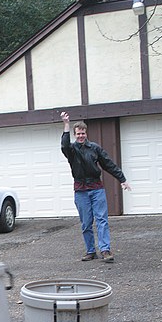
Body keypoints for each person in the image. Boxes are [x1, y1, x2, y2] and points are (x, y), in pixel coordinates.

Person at [60, 112, 131, 263]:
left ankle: (105, 250)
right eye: (78, 134)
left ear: (86, 133)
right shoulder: (71, 150)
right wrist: (66, 124)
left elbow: (108, 164)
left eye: (83, 133)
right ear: (74, 134)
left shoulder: (94, 148)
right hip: (81, 191)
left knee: (102, 220)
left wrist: (122, 179)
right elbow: (64, 145)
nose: (81, 136)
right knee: (86, 223)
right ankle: (91, 251)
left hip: (97, 189)